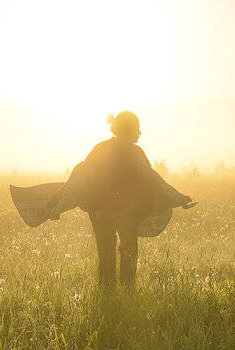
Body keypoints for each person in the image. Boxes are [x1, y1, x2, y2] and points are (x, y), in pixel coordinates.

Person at [70, 111, 194, 289]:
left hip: (99, 213)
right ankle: (128, 294)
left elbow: (82, 175)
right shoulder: (135, 152)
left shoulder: (100, 148)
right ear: (129, 130)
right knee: (129, 254)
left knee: (105, 257)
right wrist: (178, 198)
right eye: (137, 129)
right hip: (126, 213)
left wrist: (57, 202)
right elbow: (152, 179)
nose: (140, 133)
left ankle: (107, 296)